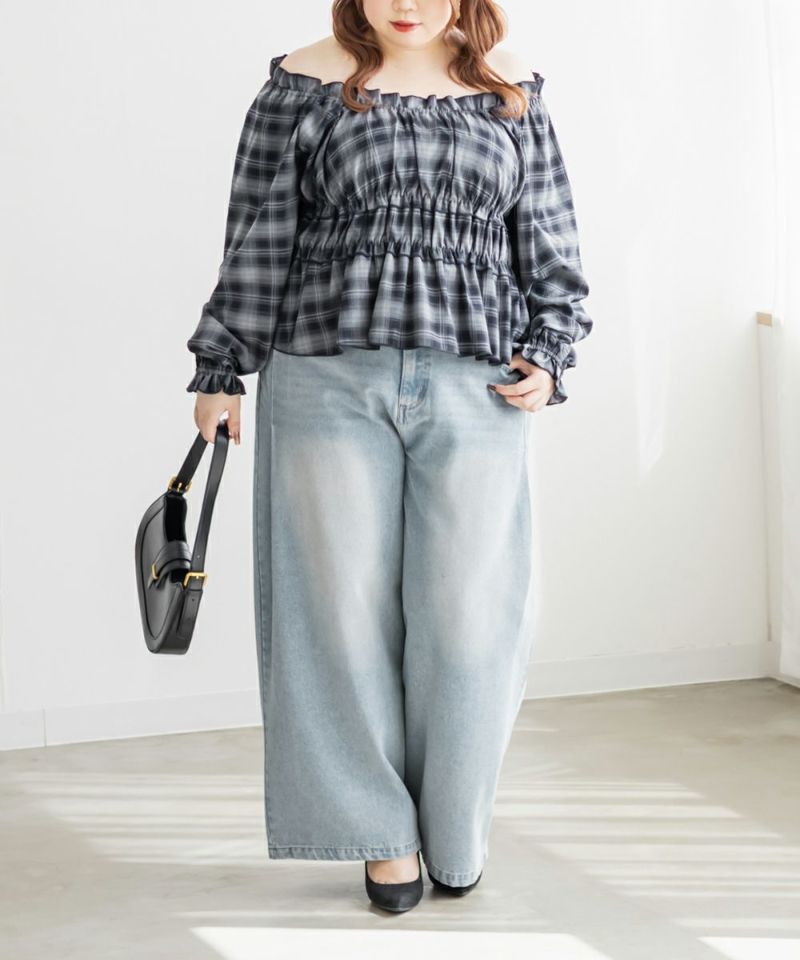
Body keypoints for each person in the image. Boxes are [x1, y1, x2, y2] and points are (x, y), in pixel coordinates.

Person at [185, 0, 592, 913]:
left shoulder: (511, 88)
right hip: (326, 372)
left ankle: (454, 827)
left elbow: (550, 234)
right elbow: (258, 234)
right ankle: (380, 835)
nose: (407, 5)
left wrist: (552, 349)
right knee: (334, 612)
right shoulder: (303, 83)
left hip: (481, 383)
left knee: (471, 618)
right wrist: (221, 367)